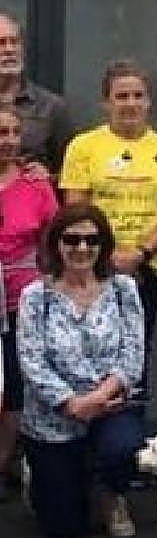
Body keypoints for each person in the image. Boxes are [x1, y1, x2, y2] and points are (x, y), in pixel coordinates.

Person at [60, 60, 157, 403]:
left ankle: (129, 420)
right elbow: (76, 208)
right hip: (93, 265)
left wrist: (141, 253)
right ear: (106, 103)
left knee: (137, 346)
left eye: (138, 95)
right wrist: (108, 254)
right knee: (89, 345)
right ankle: (86, 413)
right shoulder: (83, 147)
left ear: (149, 102)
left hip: (148, 267)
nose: (130, 103)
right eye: (121, 96)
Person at [17, 204, 144, 538]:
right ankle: (41, 476)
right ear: (56, 244)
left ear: (104, 245)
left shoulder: (123, 289)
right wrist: (72, 403)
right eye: (72, 240)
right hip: (54, 416)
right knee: (64, 528)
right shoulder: (35, 296)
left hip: (111, 405)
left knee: (122, 446)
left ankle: (110, 491)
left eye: (92, 240)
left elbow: (133, 355)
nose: (82, 248)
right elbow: (31, 361)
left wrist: (99, 398)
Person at [0, 108, 58, 496]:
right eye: (0, 132)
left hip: (22, 299)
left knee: (15, 386)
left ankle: (4, 463)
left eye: (14, 132)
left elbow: (55, 243)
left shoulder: (36, 185)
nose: (7, 139)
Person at [0, 11, 72, 174]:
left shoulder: (52, 107)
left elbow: (70, 172)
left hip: (33, 189)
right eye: (1, 43)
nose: (9, 49)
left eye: (14, 42)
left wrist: (47, 177)